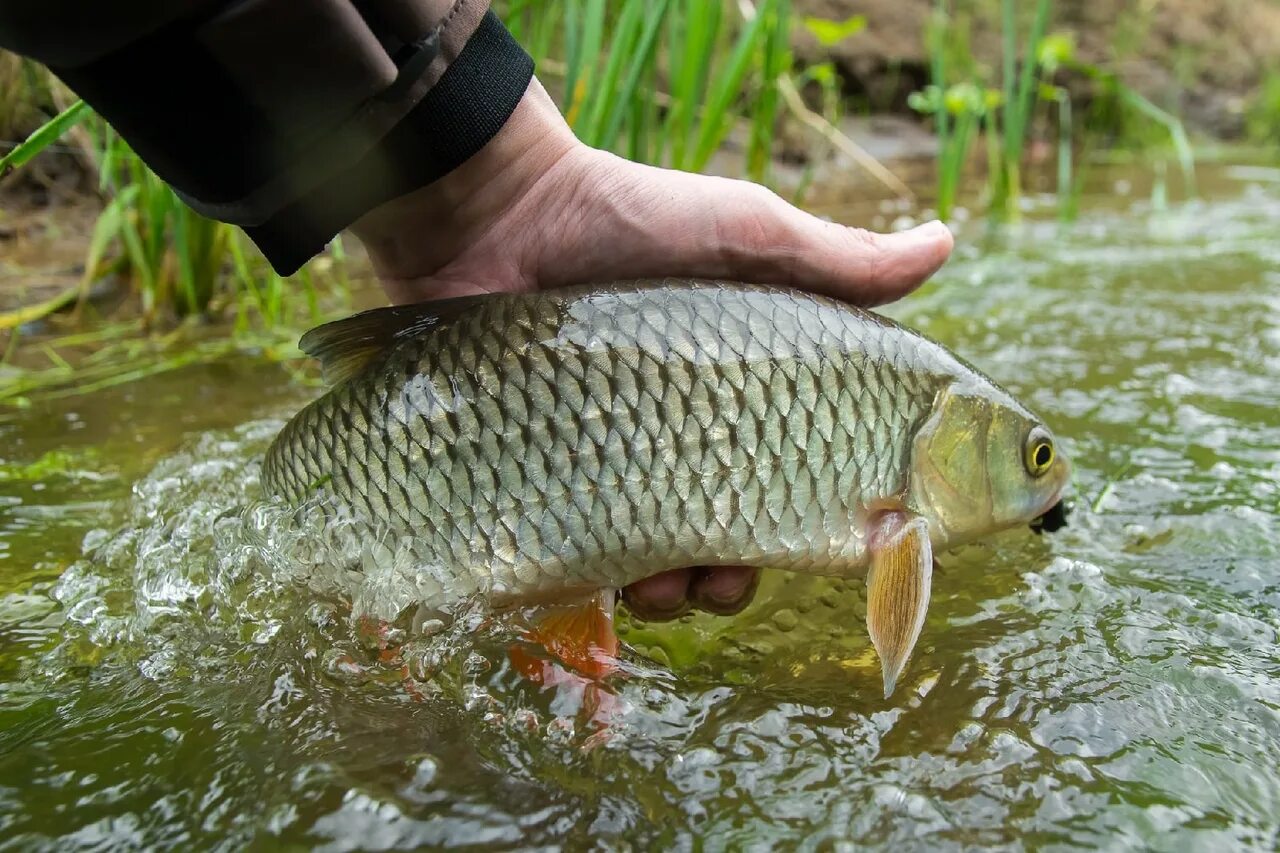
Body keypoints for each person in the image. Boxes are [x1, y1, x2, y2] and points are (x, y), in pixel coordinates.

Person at [0, 1, 953, 620]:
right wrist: (480, 177)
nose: (1046, 486)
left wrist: (477, 179)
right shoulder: (898, 504)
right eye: (1035, 460)